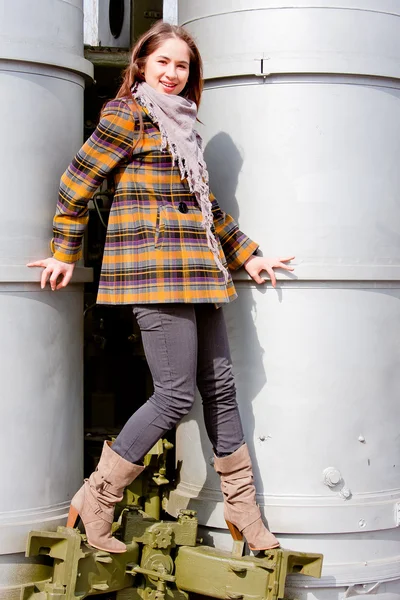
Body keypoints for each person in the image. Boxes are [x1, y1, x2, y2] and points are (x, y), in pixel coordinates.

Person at [28, 21, 294, 554]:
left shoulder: (186, 128)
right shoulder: (128, 113)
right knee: (173, 395)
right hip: (153, 269)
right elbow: (77, 181)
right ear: (141, 66)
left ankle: (243, 511)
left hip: (199, 270)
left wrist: (249, 253)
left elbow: (206, 207)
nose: (173, 74)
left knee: (220, 388)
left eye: (182, 66)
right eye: (163, 63)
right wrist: (64, 249)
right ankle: (97, 498)